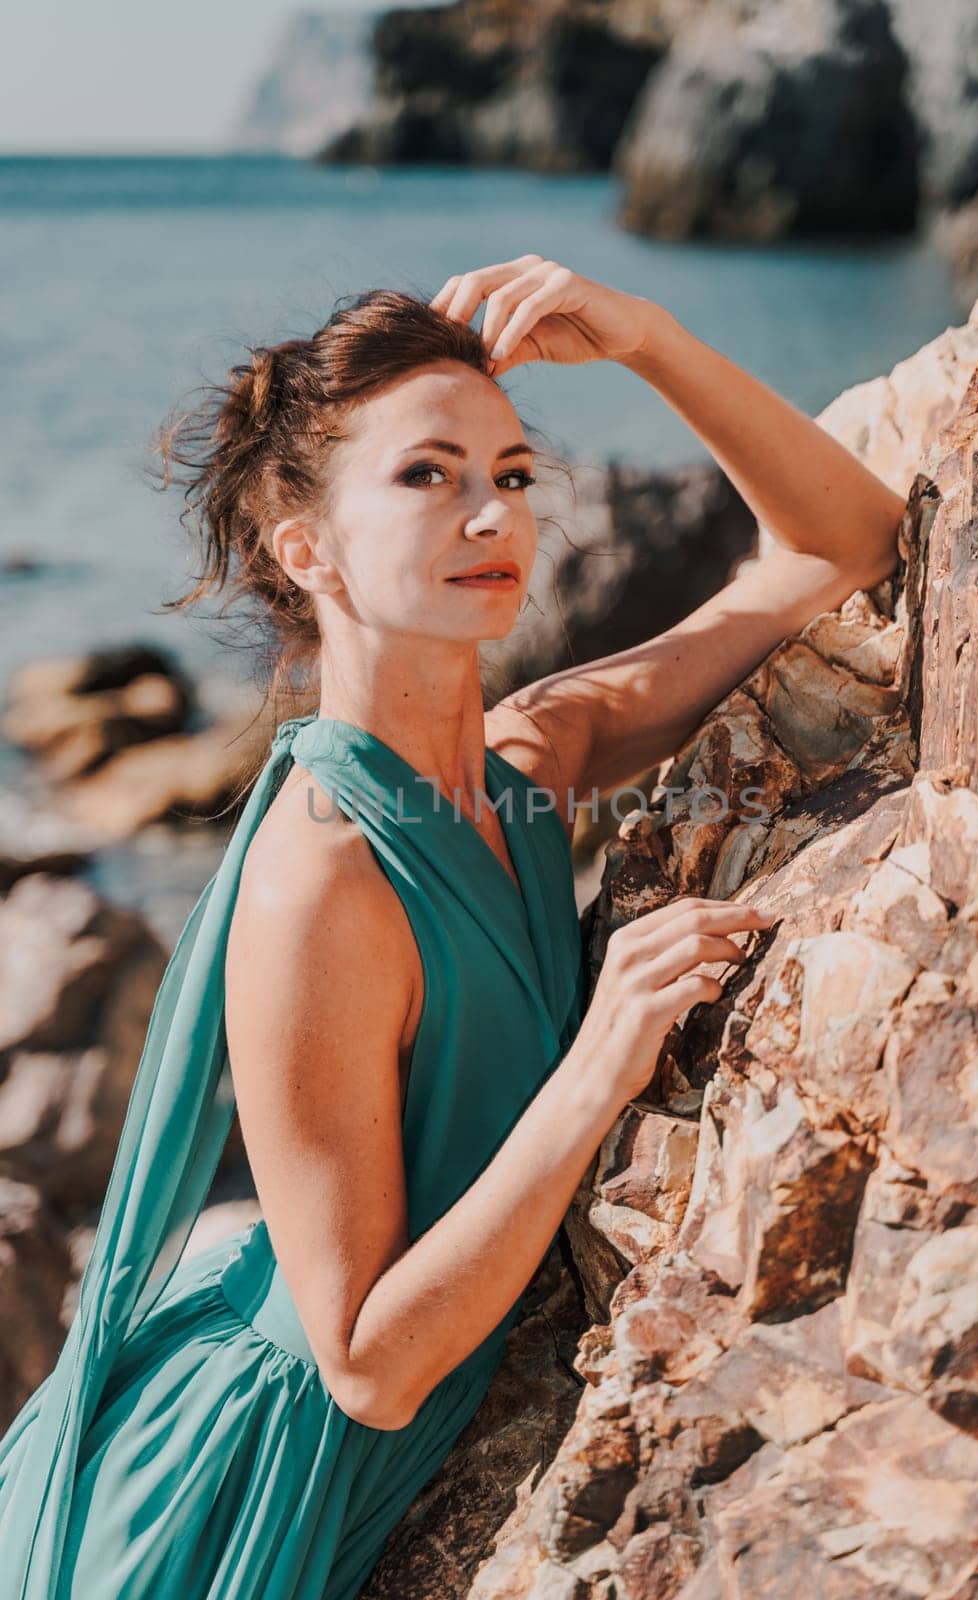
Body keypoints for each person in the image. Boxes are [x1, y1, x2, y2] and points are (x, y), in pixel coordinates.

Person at [0, 255, 905, 1597]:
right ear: (306, 545)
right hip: (236, 1497)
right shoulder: (323, 879)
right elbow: (364, 1365)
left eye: (516, 472)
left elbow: (842, 542)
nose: (493, 514)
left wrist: (646, 339)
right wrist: (603, 1063)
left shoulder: (531, 755)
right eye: (428, 476)